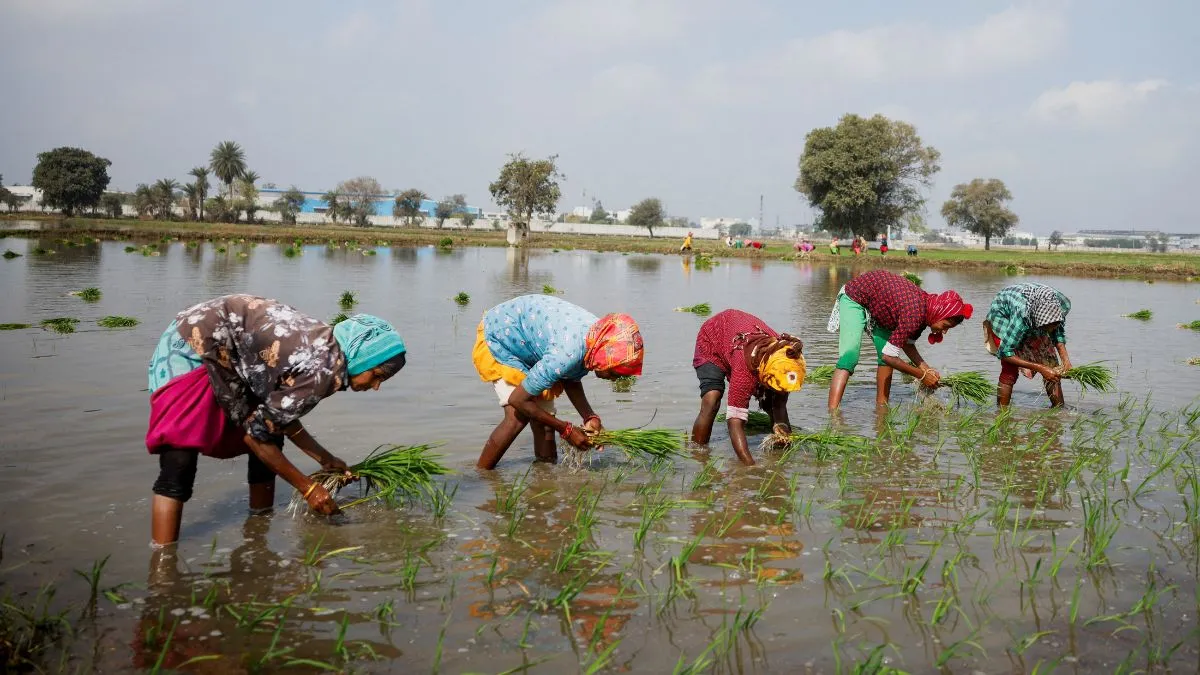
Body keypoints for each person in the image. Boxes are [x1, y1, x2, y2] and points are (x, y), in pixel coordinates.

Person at [145, 295, 407, 546]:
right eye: (377, 376)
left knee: (271, 436)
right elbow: (256, 436)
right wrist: (309, 489)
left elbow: (280, 416)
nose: (375, 387)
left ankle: (258, 532)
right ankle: (163, 565)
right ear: (362, 359)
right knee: (179, 455)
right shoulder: (322, 371)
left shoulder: (327, 353)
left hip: (232, 352)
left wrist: (324, 458)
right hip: (192, 342)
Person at [472, 295, 644, 469]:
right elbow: (517, 400)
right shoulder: (568, 352)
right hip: (503, 335)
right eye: (614, 372)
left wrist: (589, 416)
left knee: (545, 423)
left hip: (532, 341)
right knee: (517, 418)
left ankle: (545, 478)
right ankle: (480, 476)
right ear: (604, 358)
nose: (614, 379)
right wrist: (566, 430)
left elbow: (569, 376)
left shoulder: (598, 337)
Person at [826, 270, 972, 409]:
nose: (944, 331)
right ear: (939, 313)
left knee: (885, 360)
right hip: (856, 297)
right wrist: (921, 375)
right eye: (945, 325)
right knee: (850, 358)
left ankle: (882, 408)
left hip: (882, 310)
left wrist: (926, 369)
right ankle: (833, 415)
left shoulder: (925, 312)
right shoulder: (915, 313)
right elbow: (889, 356)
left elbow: (907, 345)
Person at [691, 310, 806, 466]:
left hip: (736, 342)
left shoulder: (785, 359)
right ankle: (698, 454)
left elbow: (779, 406)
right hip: (712, 340)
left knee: (771, 402)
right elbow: (735, 421)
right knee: (712, 399)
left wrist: (785, 448)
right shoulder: (745, 369)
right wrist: (750, 467)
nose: (781, 393)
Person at [983, 282, 1073, 407]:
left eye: (1052, 326)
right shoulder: (1021, 316)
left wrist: (1066, 361)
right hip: (1004, 316)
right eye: (1046, 328)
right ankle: (1001, 415)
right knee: (1010, 369)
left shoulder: (1055, 306)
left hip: (1034, 312)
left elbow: (1057, 333)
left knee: (1052, 367)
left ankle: (1059, 409)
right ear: (1037, 321)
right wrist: (1040, 368)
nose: (1049, 332)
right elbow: (1005, 353)